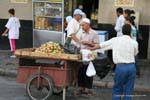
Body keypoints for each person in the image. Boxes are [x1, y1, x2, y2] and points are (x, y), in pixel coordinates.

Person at [89, 24, 138, 100]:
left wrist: (91, 48)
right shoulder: (134, 43)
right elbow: (135, 53)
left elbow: (101, 45)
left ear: (122, 31)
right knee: (129, 90)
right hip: (131, 67)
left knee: (117, 89)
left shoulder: (115, 40)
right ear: (130, 32)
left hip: (120, 67)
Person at [77, 18, 99, 95]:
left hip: (89, 55)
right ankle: (81, 87)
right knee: (80, 71)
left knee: (88, 72)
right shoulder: (81, 33)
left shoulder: (94, 33)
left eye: (83, 25)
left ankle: (88, 88)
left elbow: (97, 45)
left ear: (88, 25)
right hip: (82, 54)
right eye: (81, 25)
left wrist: (88, 43)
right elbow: (79, 43)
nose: (82, 27)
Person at [66, 9, 84, 87]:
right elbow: (72, 35)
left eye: (81, 15)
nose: (81, 16)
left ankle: (75, 80)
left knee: (77, 65)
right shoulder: (72, 22)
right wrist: (79, 42)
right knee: (74, 64)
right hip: (72, 46)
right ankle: (73, 80)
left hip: (77, 46)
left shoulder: (78, 22)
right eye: (80, 15)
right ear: (75, 15)